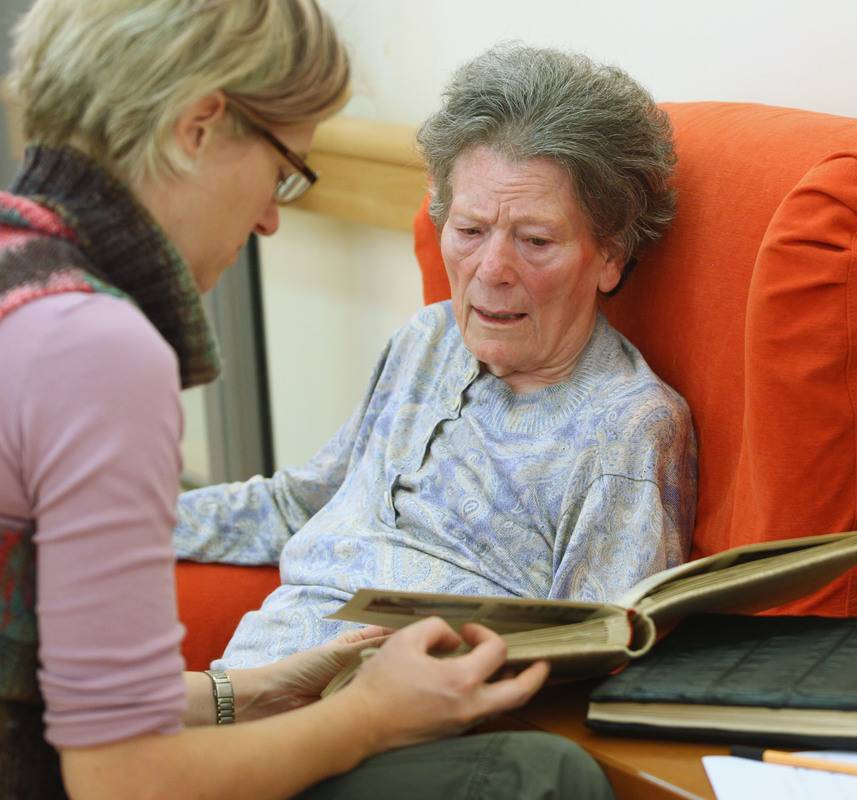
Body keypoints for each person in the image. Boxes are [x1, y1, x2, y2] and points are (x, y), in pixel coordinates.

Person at [0, 4, 611, 799]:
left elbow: (58, 690)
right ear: (199, 128)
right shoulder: (100, 349)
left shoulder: (22, 273)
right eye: (281, 168)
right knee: (542, 777)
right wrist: (371, 719)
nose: (269, 217)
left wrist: (250, 693)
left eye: (535, 239)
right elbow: (123, 782)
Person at [174, 43, 698, 670]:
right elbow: (302, 504)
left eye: (535, 241)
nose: (492, 270)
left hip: (399, 716)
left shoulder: (627, 428)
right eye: (471, 231)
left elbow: (596, 654)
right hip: (256, 678)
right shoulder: (427, 340)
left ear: (609, 256)